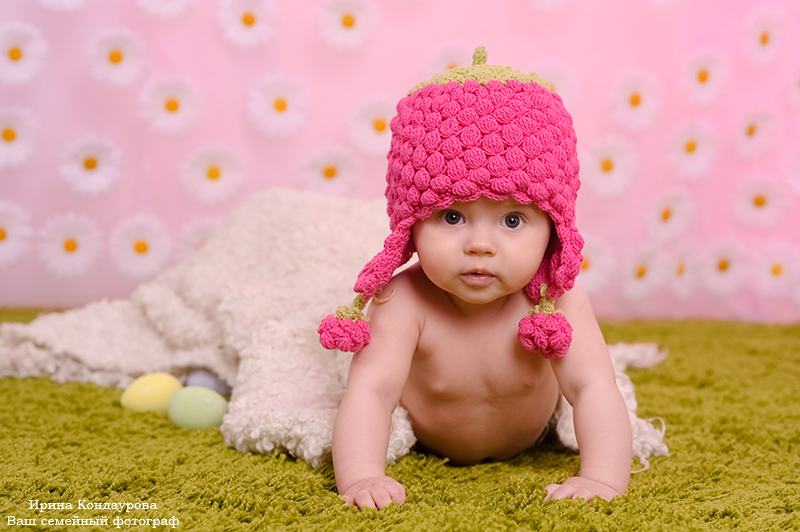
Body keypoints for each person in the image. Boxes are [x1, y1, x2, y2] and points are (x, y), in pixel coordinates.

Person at [318, 47, 632, 509]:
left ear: (552, 229)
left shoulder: (555, 301)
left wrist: (601, 479)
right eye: (452, 216)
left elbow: (592, 388)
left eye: (512, 220)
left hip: (531, 443)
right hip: (431, 445)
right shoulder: (404, 301)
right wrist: (362, 476)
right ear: (410, 225)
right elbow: (372, 392)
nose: (480, 245)